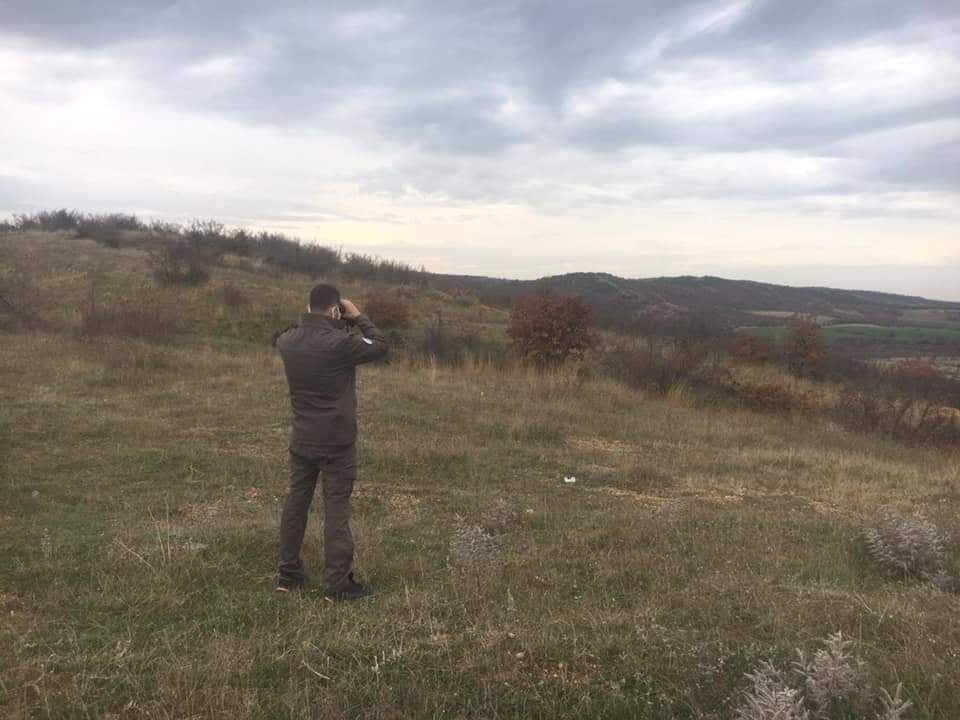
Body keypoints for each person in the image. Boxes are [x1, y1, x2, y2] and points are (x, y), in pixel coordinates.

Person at [272, 284, 388, 599]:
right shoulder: (340, 343)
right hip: (337, 442)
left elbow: (285, 333)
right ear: (335, 310)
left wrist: (324, 321)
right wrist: (359, 317)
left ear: (309, 307)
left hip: (302, 438)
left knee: (297, 503)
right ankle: (338, 584)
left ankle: (288, 573)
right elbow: (379, 345)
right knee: (336, 510)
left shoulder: (287, 341)